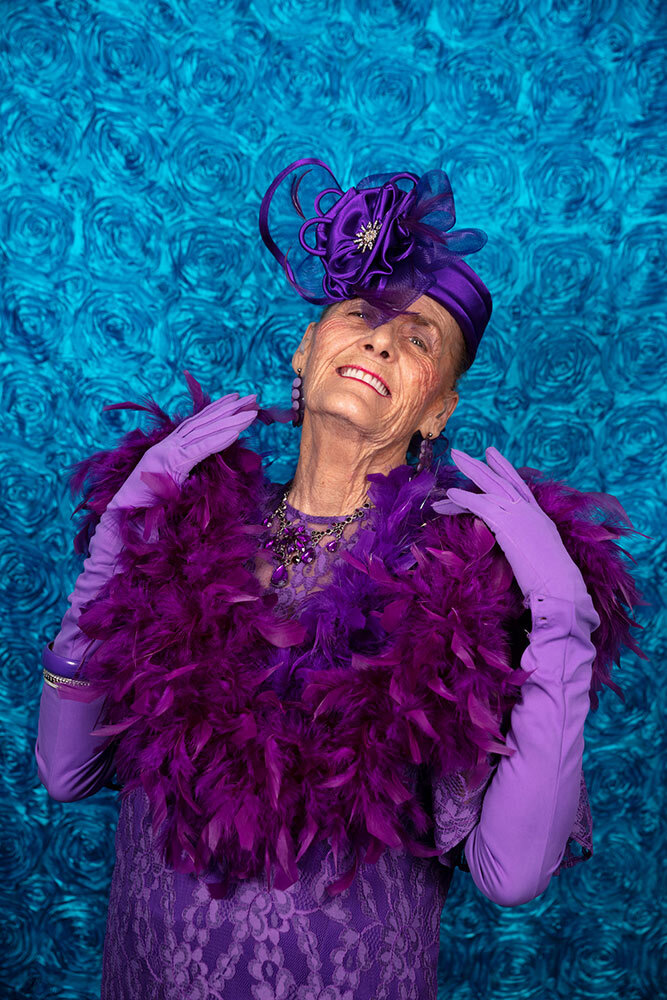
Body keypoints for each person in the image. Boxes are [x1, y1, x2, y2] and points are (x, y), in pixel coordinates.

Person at [35, 158, 646, 1000]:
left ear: (438, 410)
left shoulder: (462, 586)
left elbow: (508, 873)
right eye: (362, 313)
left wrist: (560, 621)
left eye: (419, 339)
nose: (382, 339)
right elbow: (65, 774)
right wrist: (116, 547)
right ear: (305, 346)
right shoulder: (178, 536)